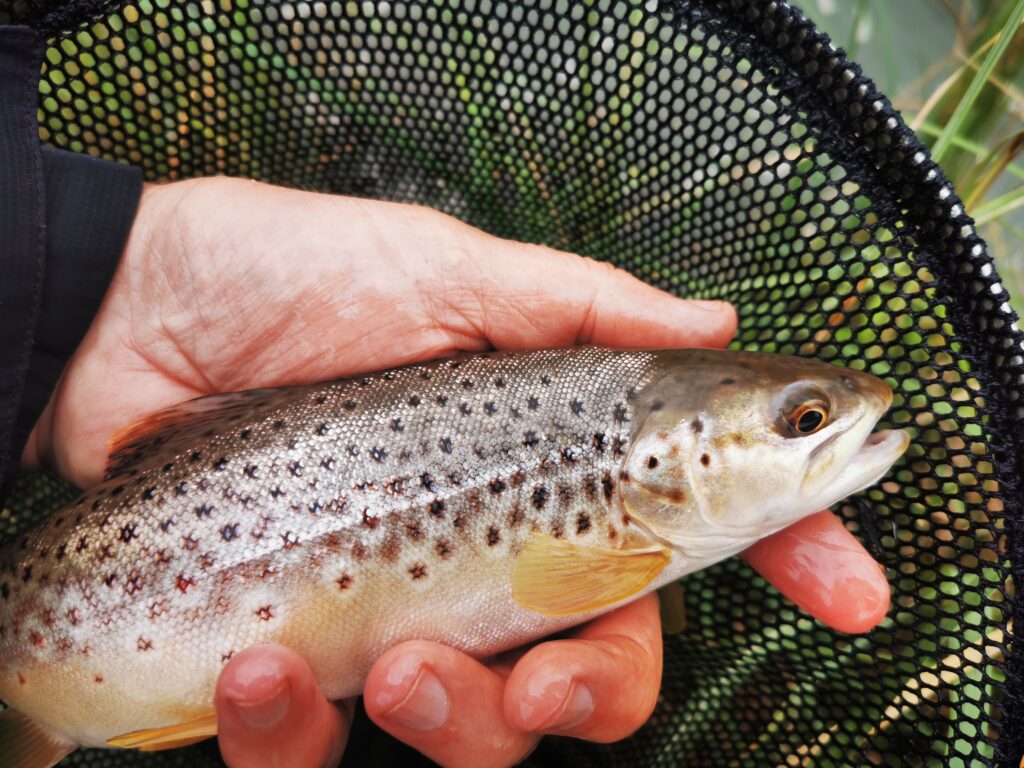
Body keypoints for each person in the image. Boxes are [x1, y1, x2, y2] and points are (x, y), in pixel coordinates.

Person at [3, 29, 889, 768]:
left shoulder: (633, 506)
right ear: (664, 454)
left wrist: (74, 284)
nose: (825, 428)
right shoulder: (627, 521)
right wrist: (82, 285)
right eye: (802, 421)